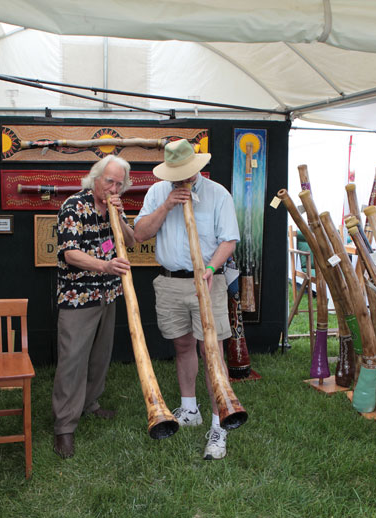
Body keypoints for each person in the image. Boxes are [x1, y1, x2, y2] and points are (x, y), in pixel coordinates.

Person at [134, 139, 239, 460]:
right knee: (181, 346)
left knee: (213, 353)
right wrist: (166, 205)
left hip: (207, 282)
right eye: (176, 174)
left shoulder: (218, 194)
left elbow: (229, 240)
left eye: (187, 173)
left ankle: (220, 422)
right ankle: (190, 409)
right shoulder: (156, 192)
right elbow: (139, 233)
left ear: (197, 168)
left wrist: (210, 268)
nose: (182, 179)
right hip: (170, 282)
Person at [53, 155, 135, 459]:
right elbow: (70, 255)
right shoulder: (74, 207)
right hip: (78, 297)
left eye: (119, 183)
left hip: (107, 295)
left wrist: (121, 216)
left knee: (100, 356)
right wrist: (105, 266)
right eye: (108, 181)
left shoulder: (113, 207)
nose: (113, 187)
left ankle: (90, 404)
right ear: (95, 178)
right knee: (73, 360)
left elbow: (132, 240)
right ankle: (64, 426)